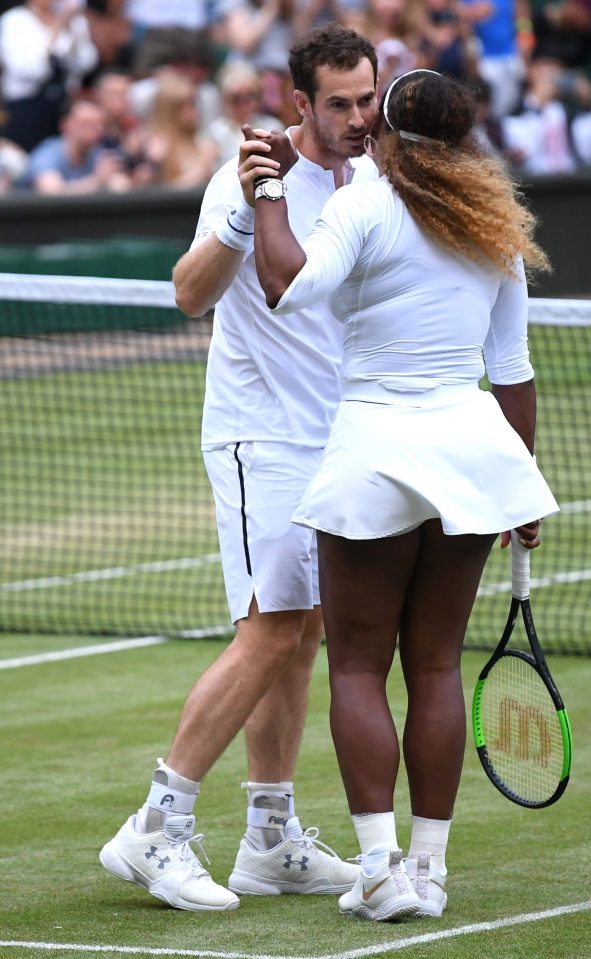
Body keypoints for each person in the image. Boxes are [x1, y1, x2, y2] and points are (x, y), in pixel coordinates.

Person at [250, 68, 559, 921]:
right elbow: (512, 374)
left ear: (381, 129)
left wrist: (268, 188)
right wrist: (516, 486)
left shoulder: (360, 205)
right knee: (433, 666)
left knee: (355, 664)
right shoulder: (491, 224)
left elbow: (281, 284)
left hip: (377, 451)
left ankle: (381, 868)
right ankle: (427, 870)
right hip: (469, 454)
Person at [99, 22, 379, 913]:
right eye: (337, 104)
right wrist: (237, 211)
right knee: (269, 630)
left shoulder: (371, 178)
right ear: (301, 103)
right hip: (261, 439)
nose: (355, 117)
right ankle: (156, 824)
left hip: (335, 439)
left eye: (366, 99)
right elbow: (188, 294)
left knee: (303, 635)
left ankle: (269, 837)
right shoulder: (246, 176)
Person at [0, 0, 99, 151]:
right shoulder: (14, 21)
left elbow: (87, 63)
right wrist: (57, 29)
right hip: (27, 109)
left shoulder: (73, 20)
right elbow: (29, 69)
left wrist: (75, 29)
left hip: (63, 107)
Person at [25, 96, 133, 193]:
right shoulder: (47, 154)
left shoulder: (99, 154)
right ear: (65, 125)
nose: (94, 130)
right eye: (86, 123)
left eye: (98, 124)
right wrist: (97, 180)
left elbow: (120, 185)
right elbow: (51, 192)